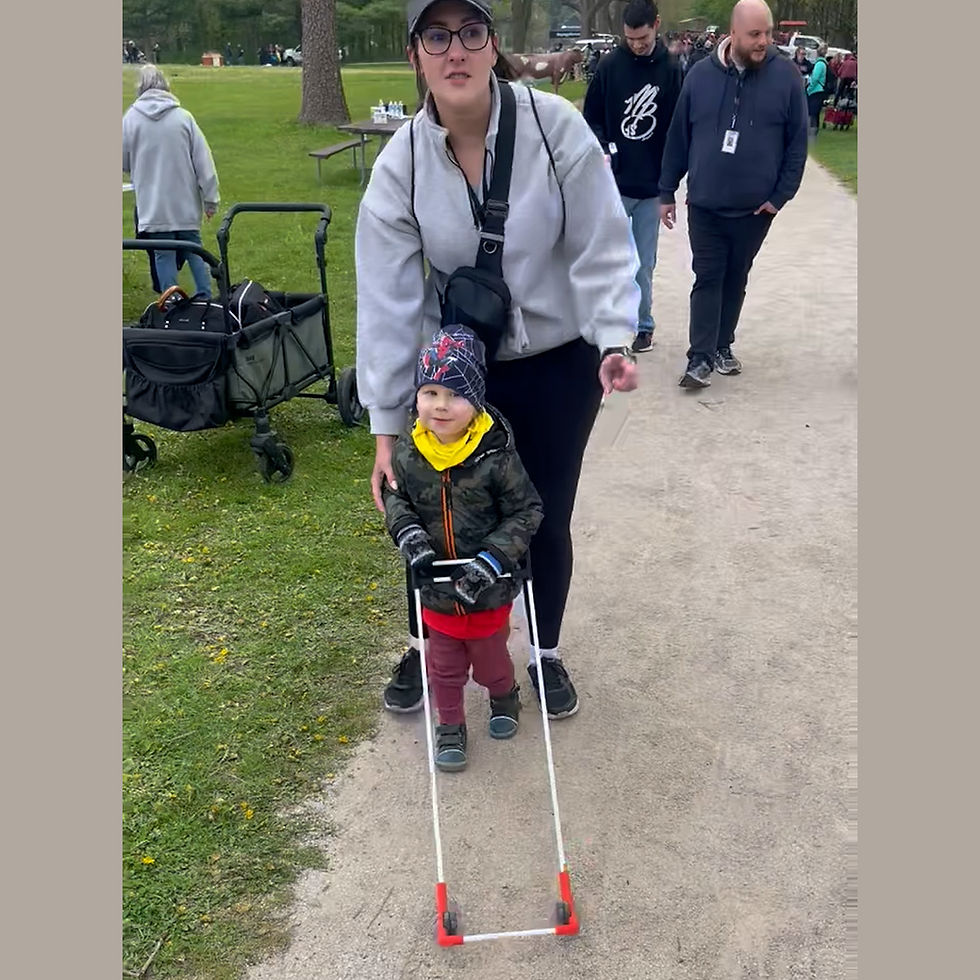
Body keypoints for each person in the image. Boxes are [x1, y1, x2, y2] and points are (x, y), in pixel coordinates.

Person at [356, 0, 641, 722]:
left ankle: (543, 651)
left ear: (492, 48)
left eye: (472, 34)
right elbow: (389, 304)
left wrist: (612, 339)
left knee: (541, 511)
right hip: (459, 371)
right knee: (436, 510)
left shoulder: (556, 128)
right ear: (416, 53)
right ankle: (430, 646)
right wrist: (388, 428)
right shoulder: (400, 167)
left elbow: (602, 243)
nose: (456, 51)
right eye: (438, 36)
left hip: (556, 363)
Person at [384, 325, 543, 771]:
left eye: (454, 395)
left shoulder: (497, 455)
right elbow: (396, 498)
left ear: (474, 400)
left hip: (488, 590)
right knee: (444, 671)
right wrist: (409, 534)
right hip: (436, 593)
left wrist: (493, 559)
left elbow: (526, 510)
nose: (439, 405)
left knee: (491, 664)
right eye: (430, 392)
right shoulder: (409, 452)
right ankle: (450, 724)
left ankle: (503, 694)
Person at [657, 0, 807, 388]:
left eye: (768, 33)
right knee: (707, 275)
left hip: (756, 210)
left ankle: (723, 344)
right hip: (705, 203)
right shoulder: (700, 76)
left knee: (735, 277)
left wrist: (780, 196)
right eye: (755, 34)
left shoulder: (787, 77)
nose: (764, 42)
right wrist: (667, 190)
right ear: (734, 33)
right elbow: (679, 136)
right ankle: (700, 358)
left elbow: (797, 145)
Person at [583, 1, 681, 355]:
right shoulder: (610, 66)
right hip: (612, 184)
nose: (636, 44)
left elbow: (677, 128)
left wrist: (669, 179)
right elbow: (591, 117)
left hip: (651, 187)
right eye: (630, 38)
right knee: (605, 259)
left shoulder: (671, 68)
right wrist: (604, 147)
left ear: (656, 25)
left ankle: (643, 325)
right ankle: (605, 324)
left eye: (642, 38)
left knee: (643, 263)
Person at [122, 65, 220, 298]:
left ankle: (170, 304)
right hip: (184, 202)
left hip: (153, 204)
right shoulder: (183, 118)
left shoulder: (130, 120)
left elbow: (123, 161)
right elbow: (203, 161)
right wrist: (210, 199)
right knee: (194, 251)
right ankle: (206, 298)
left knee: (163, 254)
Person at [806, 43, 832, 138]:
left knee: (812, 112)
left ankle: (812, 132)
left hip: (815, 91)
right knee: (815, 112)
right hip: (820, 90)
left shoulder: (819, 64)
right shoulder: (824, 63)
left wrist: (809, 89)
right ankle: (814, 131)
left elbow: (815, 78)